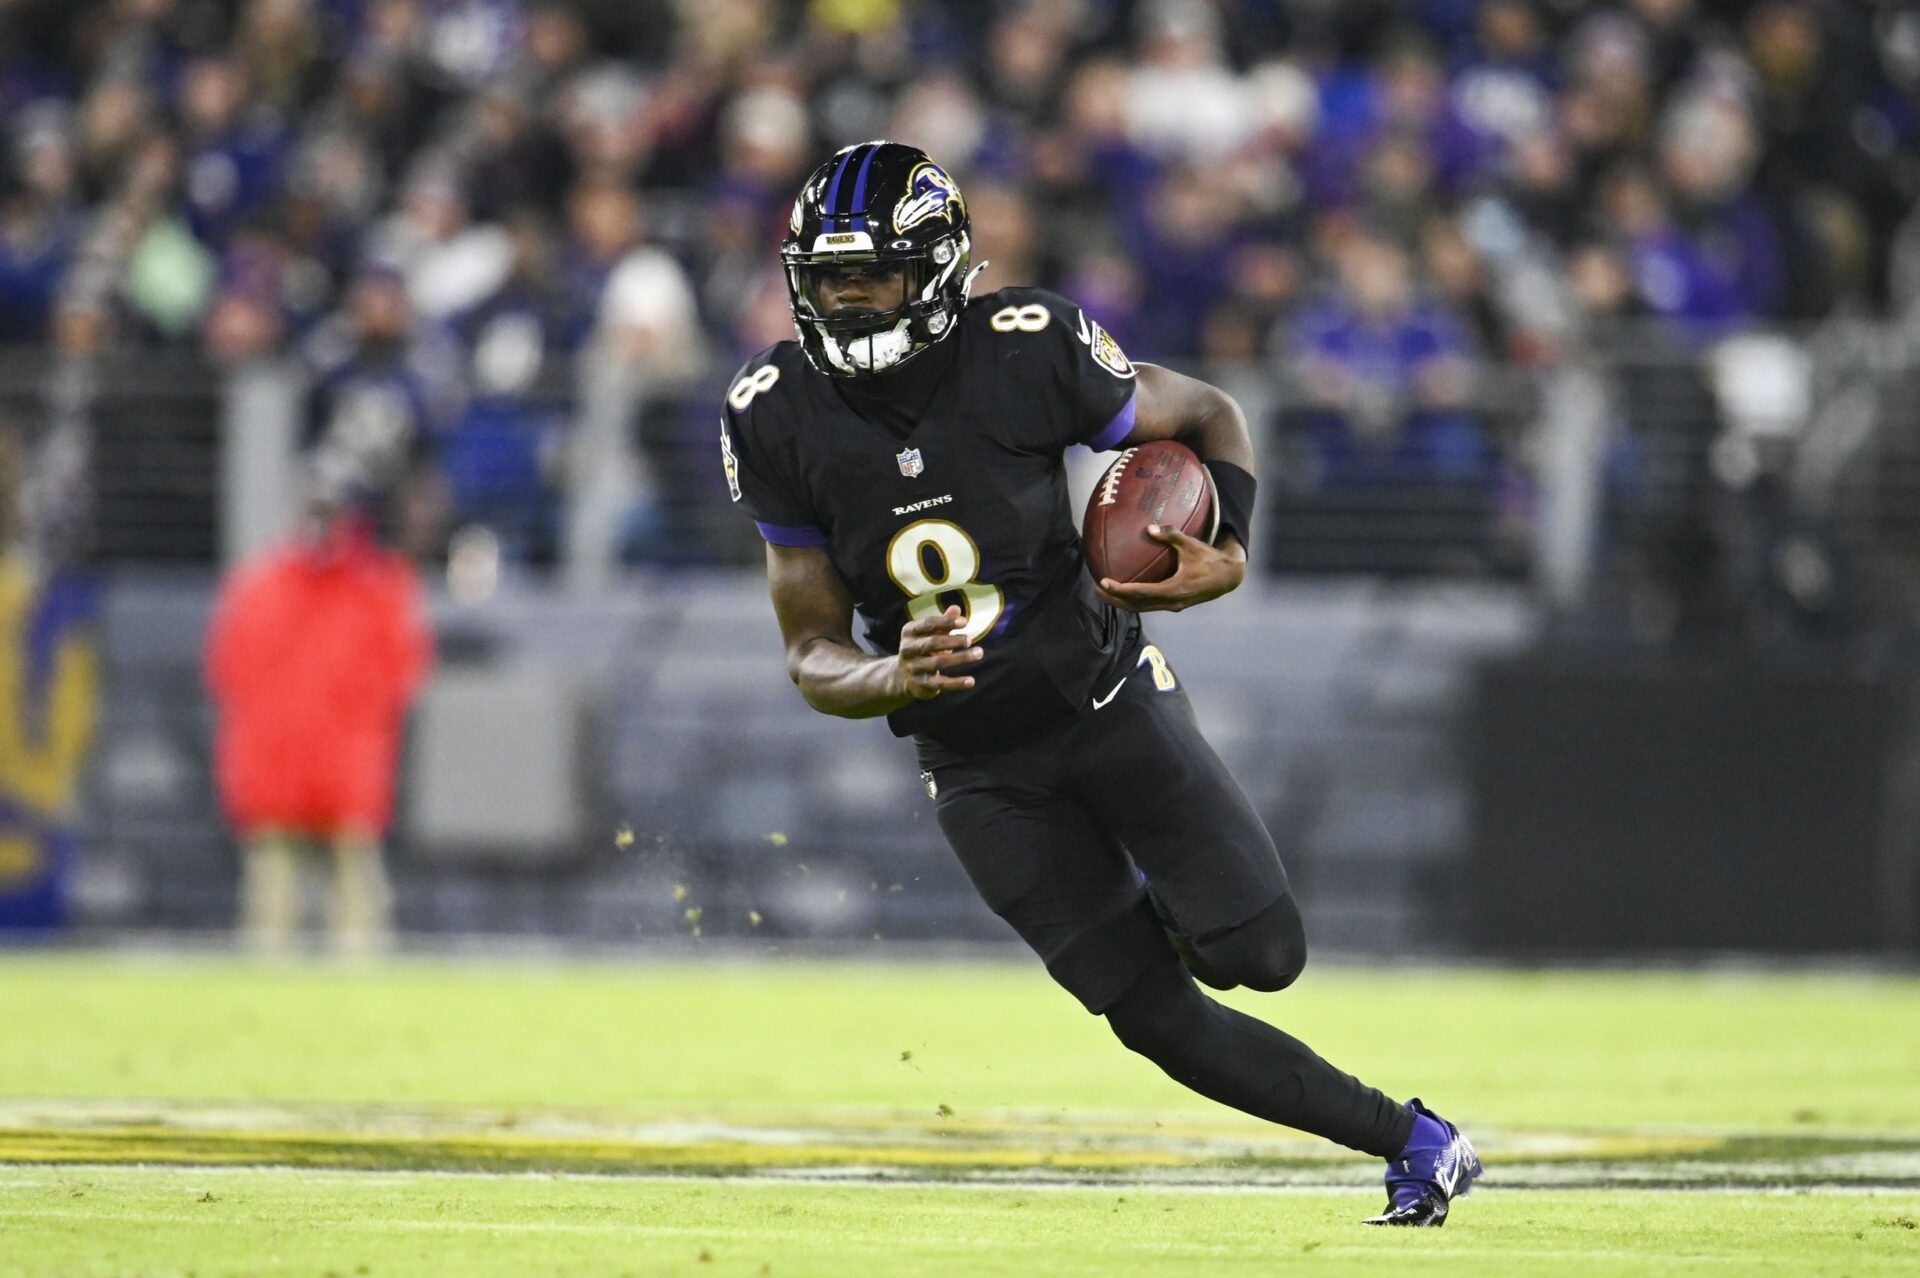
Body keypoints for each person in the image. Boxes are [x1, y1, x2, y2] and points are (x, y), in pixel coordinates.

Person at [721, 141, 1481, 1227]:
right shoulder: (771, 409)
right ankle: (1415, 1141)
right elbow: (808, 651)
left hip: (1102, 692)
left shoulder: (1029, 346)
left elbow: (1211, 412)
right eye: (827, 279)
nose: (845, 302)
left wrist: (1235, 543)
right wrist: (889, 670)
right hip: (976, 763)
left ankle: (1179, 911)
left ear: (935, 268)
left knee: (1260, 955)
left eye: (871, 276)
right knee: (1154, 1021)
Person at [204, 488, 433, 956]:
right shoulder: (378, 587)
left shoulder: (258, 585)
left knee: (301, 893)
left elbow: (225, 668)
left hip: (295, 757)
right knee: (312, 892)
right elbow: (404, 670)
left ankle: (281, 994)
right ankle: (340, 991)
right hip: (325, 758)